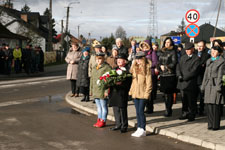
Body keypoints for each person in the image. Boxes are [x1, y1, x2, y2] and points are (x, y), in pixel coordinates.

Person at [201, 46, 225, 130]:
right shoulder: (209, 61)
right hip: (208, 85)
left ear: (219, 52)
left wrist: (218, 86)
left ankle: (215, 125)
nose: (213, 52)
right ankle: (210, 124)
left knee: (215, 105)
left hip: (215, 85)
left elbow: (220, 75)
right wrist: (203, 85)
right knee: (208, 105)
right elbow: (205, 74)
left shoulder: (222, 62)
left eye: (214, 51)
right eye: (212, 51)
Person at [129, 51, 152, 137]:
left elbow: (149, 83)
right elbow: (133, 82)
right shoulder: (134, 68)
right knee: (137, 112)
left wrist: (147, 94)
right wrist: (131, 91)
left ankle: (143, 129)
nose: (138, 60)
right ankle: (139, 127)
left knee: (141, 111)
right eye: (136, 59)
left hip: (143, 93)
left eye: (139, 59)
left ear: (143, 59)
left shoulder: (147, 68)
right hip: (135, 93)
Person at [177, 42, 200, 122]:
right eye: (186, 49)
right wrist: (179, 75)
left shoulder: (196, 58)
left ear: (193, 49)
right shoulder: (183, 57)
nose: (187, 51)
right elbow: (178, 67)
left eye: (189, 49)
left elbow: (194, 71)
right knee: (184, 100)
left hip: (190, 83)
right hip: (182, 83)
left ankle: (192, 114)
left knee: (191, 100)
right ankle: (184, 113)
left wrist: (185, 77)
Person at [108, 53, 132, 133]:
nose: (118, 61)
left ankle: (124, 125)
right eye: (117, 59)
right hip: (114, 92)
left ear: (125, 61)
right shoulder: (114, 69)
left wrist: (122, 83)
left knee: (122, 109)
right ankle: (118, 124)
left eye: (120, 59)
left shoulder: (127, 70)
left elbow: (129, 82)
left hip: (122, 92)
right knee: (115, 108)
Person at [157, 37, 177, 117]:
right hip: (162, 75)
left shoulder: (173, 52)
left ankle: (168, 109)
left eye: (168, 42)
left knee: (169, 93)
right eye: (166, 42)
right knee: (165, 93)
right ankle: (166, 108)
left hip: (170, 74)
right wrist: (159, 66)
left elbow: (174, 62)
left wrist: (166, 67)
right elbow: (159, 62)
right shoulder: (162, 51)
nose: (167, 44)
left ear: (171, 43)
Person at [90, 52, 111, 128]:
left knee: (103, 107)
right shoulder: (94, 67)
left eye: (100, 59)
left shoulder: (107, 68)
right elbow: (92, 79)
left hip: (102, 90)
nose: (98, 61)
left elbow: (108, 80)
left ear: (103, 59)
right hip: (96, 90)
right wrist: (91, 89)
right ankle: (99, 119)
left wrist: (106, 91)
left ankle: (103, 120)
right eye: (97, 59)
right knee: (98, 107)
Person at [140, 40, 158, 114]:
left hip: (150, 73)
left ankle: (150, 107)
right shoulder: (141, 53)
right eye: (143, 46)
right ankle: (145, 106)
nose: (144, 47)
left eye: (145, 46)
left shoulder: (152, 53)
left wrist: (147, 65)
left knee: (149, 91)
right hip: (142, 74)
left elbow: (155, 62)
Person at [196, 40, 210, 115]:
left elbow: (202, 65)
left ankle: (201, 110)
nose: (199, 48)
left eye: (201, 46)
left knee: (202, 95)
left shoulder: (206, 55)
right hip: (194, 78)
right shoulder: (194, 53)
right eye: (198, 46)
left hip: (201, 78)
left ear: (204, 47)